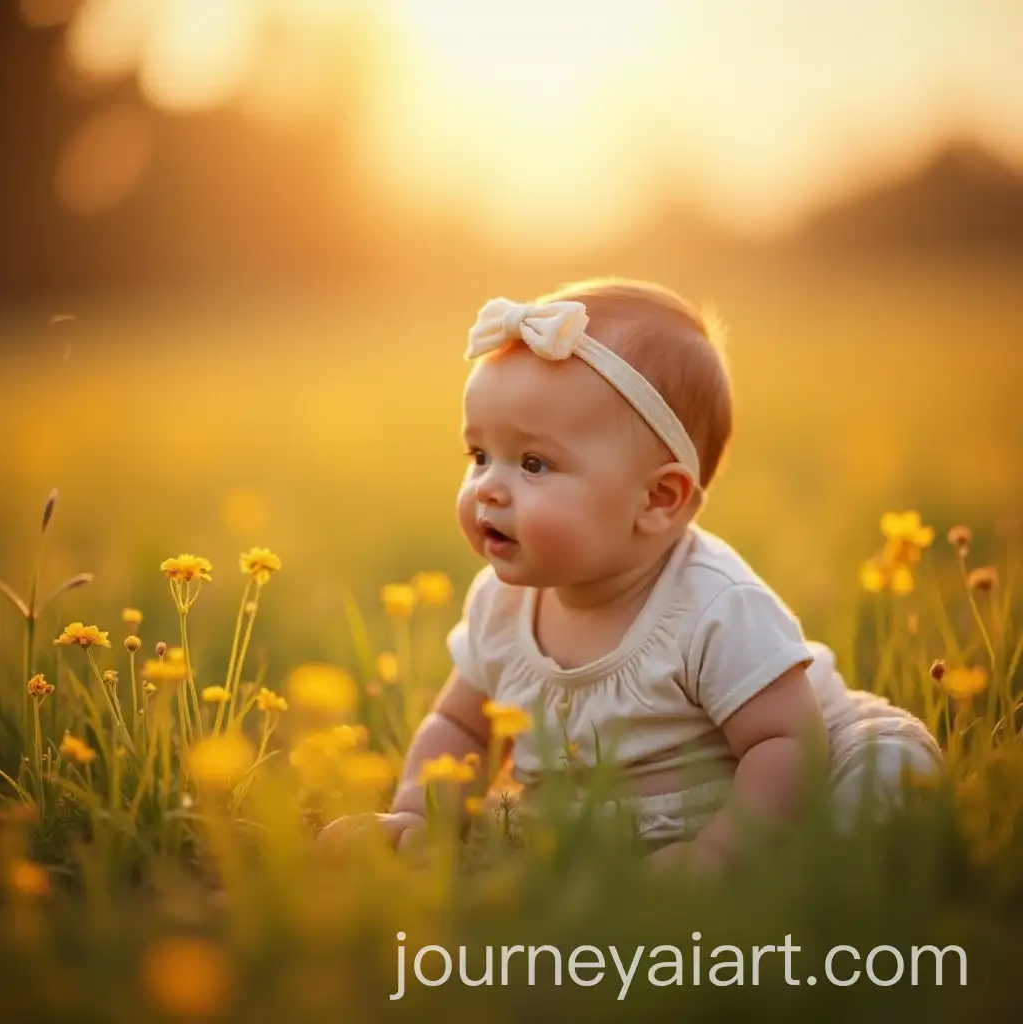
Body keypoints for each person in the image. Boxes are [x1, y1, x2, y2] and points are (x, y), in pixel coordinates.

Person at [316, 278, 943, 874]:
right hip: (623, 814)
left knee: (880, 789)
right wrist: (416, 813)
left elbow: (786, 743)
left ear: (658, 500)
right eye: (479, 456)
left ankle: (799, 869)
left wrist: (719, 858)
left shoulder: (714, 606)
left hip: (817, 756)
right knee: (532, 835)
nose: (488, 489)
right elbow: (459, 726)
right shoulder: (500, 606)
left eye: (533, 463)